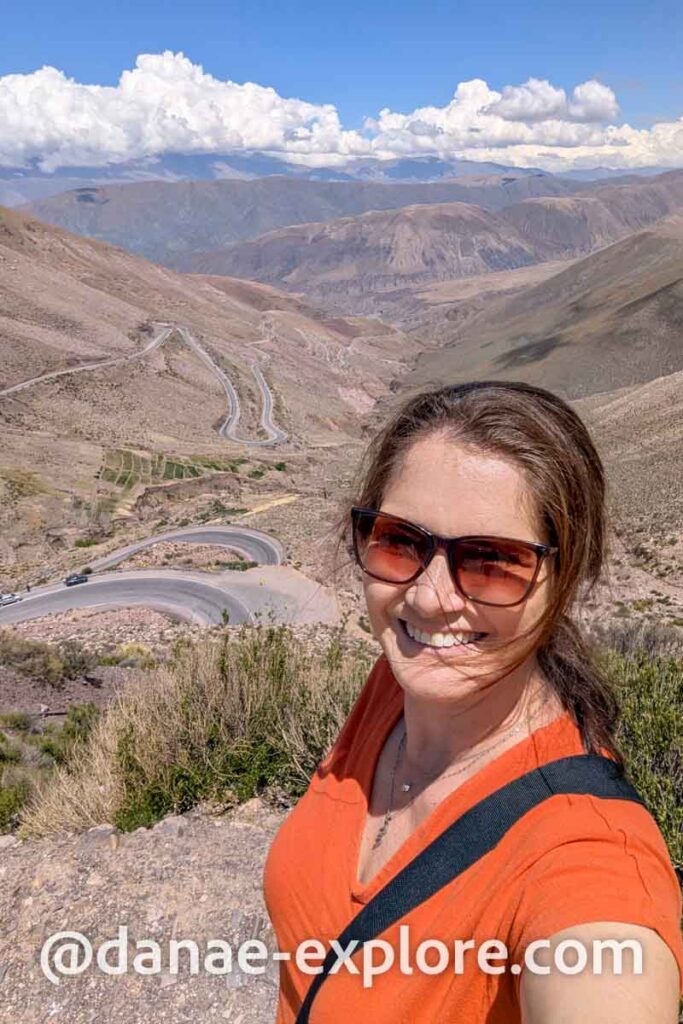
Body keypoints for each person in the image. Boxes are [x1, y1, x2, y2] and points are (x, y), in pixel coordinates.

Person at [263, 380, 683, 1023]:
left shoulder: (584, 852)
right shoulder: (397, 685)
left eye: (492, 561)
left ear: (563, 578)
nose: (430, 598)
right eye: (401, 540)